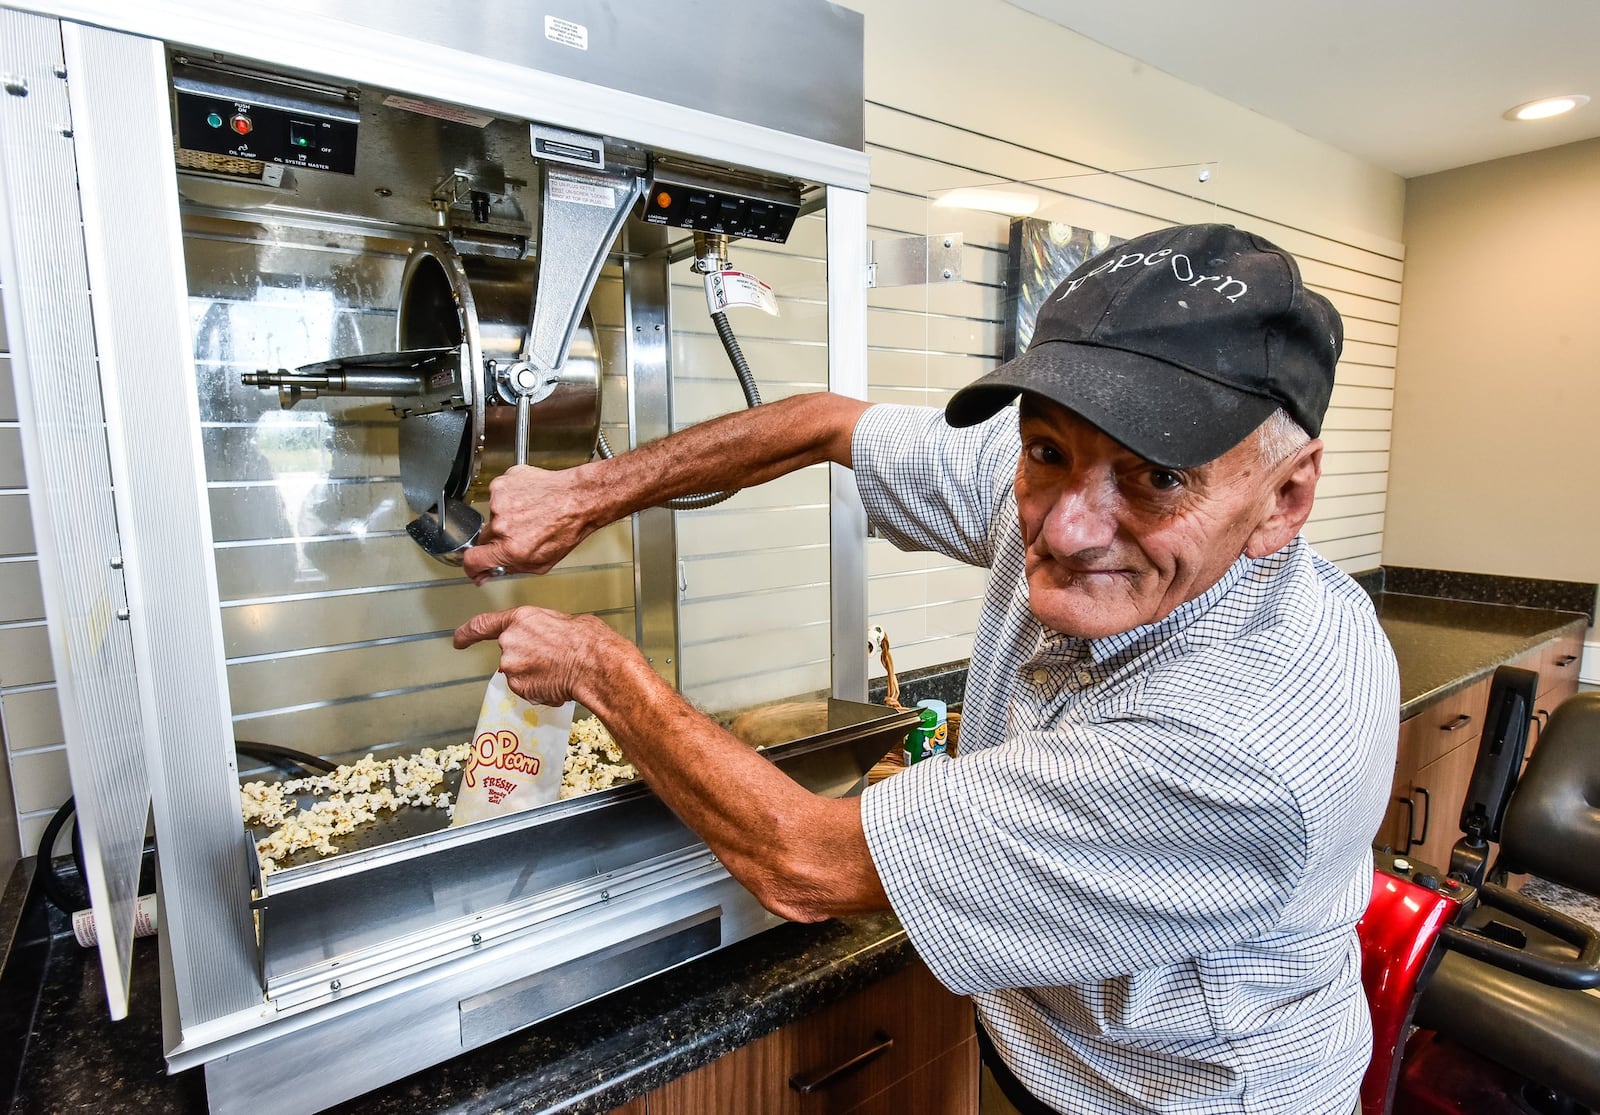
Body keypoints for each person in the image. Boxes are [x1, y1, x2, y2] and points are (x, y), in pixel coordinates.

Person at [454, 223, 1399, 1115]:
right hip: (1037, 1044)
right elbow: (828, 424)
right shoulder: (1069, 470)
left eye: (1158, 477)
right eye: (1047, 450)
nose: (1067, 528)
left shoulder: (1236, 746)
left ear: (1286, 497)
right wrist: (582, 492)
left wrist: (599, 664)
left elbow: (805, 864)